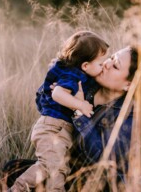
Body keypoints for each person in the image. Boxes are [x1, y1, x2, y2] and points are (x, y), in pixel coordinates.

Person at [3, 46, 141, 191]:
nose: (106, 63)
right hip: (66, 168)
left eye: (115, 65)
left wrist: (78, 111)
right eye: (111, 57)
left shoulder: (128, 116)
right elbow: (43, 104)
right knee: (13, 169)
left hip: (95, 180)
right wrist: (54, 92)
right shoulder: (87, 82)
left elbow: (103, 159)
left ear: (129, 84)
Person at [9, 31, 109, 192]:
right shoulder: (73, 74)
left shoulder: (77, 73)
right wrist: (80, 105)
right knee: (54, 170)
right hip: (52, 128)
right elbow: (57, 93)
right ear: (85, 65)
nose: (104, 67)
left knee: (53, 169)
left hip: (59, 130)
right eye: (100, 64)